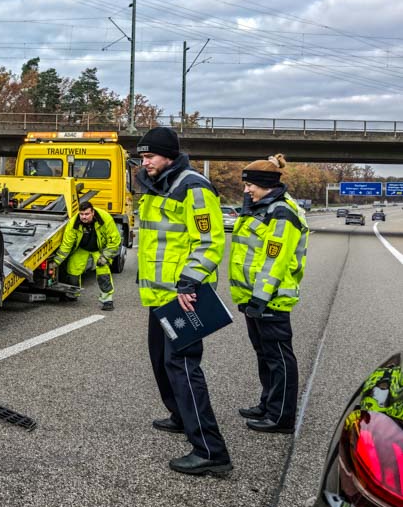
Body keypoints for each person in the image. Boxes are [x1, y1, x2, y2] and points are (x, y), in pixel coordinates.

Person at [135, 127, 231, 476]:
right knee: (161, 362)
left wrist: (189, 281)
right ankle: (179, 415)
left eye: (150, 157)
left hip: (182, 295)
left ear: (170, 156)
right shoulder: (157, 184)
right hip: (158, 294)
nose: (144, 163)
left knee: (184, 367)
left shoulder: (193, 187)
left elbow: (208, 241)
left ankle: (211, 451)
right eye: (142, 157)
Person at [229, 154, 308, 434]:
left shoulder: (281, 212)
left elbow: (275, 260)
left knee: (278, 358)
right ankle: (268, 404)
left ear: (267, 185)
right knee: (265, 354)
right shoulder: (261, 208)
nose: (246, 190)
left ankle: (281, 417)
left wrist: (260, 298)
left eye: (250, 185)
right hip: (255, 297)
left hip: (270, 298)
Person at [49, 198, 122, 310]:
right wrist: (56, 262)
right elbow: (66, 245)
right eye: (81, 214)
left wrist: (105, 256)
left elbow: (115, 240)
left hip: (99, 248)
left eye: (87, 214)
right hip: (82, 248)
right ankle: (73, 294)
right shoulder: (74, 223)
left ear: (92, 212)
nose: (84, 217)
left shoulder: (105, 219)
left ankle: (107, 300)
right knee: (73, 269)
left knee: (103, 271)